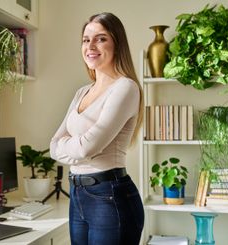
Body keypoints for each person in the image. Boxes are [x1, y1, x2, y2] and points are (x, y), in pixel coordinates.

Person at [50, 12, 144, 245]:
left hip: (109, 196)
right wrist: (77, 145)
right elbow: (53, 146)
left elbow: (86, 147)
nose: (90, 46)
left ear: (116, 44)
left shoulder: (125, 87)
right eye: (86, 39)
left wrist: (74, 145)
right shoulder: (82, 92)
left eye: (100, 38)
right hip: (78, 196)